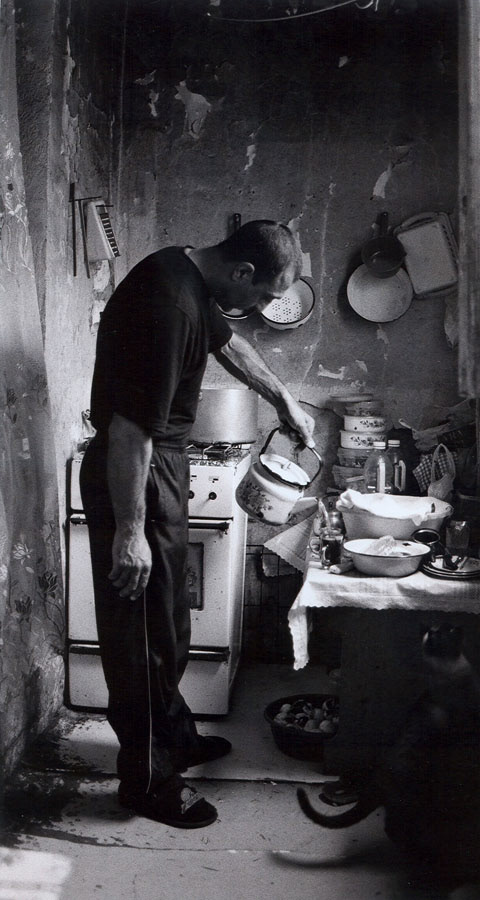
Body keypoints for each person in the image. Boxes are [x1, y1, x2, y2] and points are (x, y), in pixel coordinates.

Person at [79, 220, 315, 829]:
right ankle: (149, 783)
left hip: (162, 467)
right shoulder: (167, 307)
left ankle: (175, 735)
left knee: (170, 622)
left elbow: (229, 343)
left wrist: (281, 396)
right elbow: (132, 429)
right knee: (144, 636)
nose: (260, 309)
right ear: (241, 273)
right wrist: (130, 532)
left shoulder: (185, 275)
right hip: (138, 469)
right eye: (263, 296)